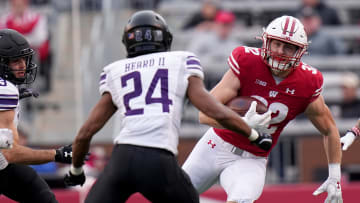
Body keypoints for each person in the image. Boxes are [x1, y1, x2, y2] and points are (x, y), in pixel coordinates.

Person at [63, 10, 273, 203]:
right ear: (165, 38)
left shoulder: (115, 70)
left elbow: (85, 133)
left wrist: (76, 170)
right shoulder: (180, 61)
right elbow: (212, 109)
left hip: (121, 159)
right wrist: (253, 134)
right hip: (158, 159)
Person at [182, 15, 343, 203]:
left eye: (288, 47)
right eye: (276, 44)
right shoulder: (247, 62)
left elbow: (330, 129)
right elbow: (204, 114)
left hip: (251, 159)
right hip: (215, 145)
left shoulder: (307, 82)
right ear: (266, 41)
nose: (280, 51)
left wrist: (335, 176)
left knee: (241, 200)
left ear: (300, 52)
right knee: (173, 197)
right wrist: (241, 124)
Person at [0, 28, 73, 203]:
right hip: (3, 159)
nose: (23, 66)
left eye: (24, 60)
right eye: (15, 61)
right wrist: (57, 154)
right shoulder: (5, 91)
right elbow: (11, 153)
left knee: (40, 194)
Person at [0, 0, 53, 94]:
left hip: (32, 55)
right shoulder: (4, 20)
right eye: (15, 5)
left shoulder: (36, 18)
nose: (18, 7)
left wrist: (17, 42)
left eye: (21, 5)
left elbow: (40, 38)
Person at [187, 10, 241, 89]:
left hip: (225, 83)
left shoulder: (236, 44)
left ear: (232, 27)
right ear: (216, 24)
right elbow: (190, 58)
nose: (224, 28)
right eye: (222, 24)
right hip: (204, 80)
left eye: (228, 25)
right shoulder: (202, 38)